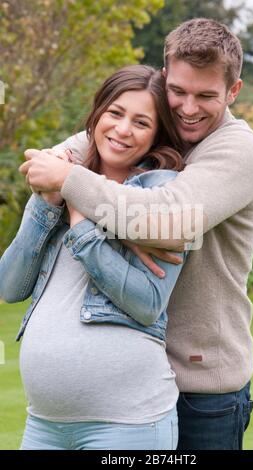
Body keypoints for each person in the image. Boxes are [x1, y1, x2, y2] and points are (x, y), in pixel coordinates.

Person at [19, 18, 253, 450]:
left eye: (206, 95)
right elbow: (65, 154)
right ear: (165, 76)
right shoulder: (155, 129)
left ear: (233, 91)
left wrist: (82, 193)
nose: (189, 108)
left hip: (201, 389)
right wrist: (112, 210)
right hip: (138, 378)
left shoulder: (238, 148)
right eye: (178, 91)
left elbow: (171, 222)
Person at [0, 65, 190, 450]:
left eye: (141, 122)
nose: (122, 130)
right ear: (98, 114)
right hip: (44, 425)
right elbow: (8, 286)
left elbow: (148, 303)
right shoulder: (60, 177)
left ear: (156, 135)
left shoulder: (161, 192)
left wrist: (82, 222)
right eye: (115, 113)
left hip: (129, 425)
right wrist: (46, 203)